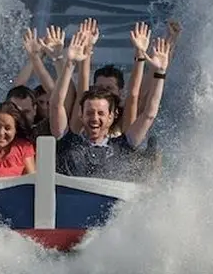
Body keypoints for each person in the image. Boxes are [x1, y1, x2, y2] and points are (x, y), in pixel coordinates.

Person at [49, 29, 171, 181]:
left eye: (101, 113)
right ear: (80, 114)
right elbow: (55, 105)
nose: (94, 118)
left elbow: (149, 114)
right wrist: (70, 63)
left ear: (111, 117)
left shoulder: (124, 144)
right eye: (89, 113)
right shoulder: (68, 141)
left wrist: (160, 73)